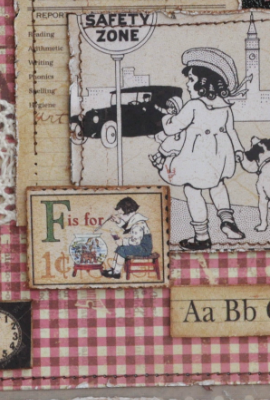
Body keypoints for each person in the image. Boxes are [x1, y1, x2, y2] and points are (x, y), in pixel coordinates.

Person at [157, 47, 250, 250]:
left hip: (198, 156)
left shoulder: (194, 106)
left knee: (192, 190)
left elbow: (173, 127)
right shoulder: (225, 107)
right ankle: (227, 220)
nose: (187, 83)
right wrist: (239, 151)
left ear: (203, 82)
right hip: (221, 156)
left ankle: (202, 237)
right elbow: (231, 131)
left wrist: (166, 117)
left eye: (191, 79)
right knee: (217, 185)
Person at [100, 197, 152, 279]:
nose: (120, 216)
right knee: (120, 248)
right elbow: (127, 226)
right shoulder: (134, 220)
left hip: (144, 248)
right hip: (140, 246)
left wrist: (123, 241)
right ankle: (114, 269)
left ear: (129, 212)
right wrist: (118, 221)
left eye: (121, 214)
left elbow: (136, 241)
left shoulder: (138, 224)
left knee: (122, 249)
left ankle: (116, 273)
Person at [149, 96, 185, 171]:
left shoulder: (175, 119)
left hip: (172, 140)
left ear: (175, 110)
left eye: (171, 108)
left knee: (164, 153)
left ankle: (160, 164)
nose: (168, 109)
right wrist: (157, 107)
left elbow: (177, 129)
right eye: (168, 107)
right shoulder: (169, 115)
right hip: (169, 137)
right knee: (162, 152)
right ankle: (156, 159)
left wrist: (177, 135)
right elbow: (164, 111)